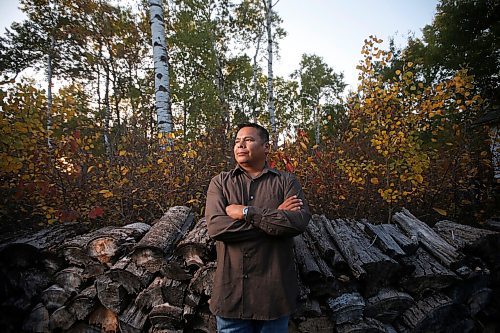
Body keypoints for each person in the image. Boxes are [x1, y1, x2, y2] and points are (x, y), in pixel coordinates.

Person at [205, 123, 311, 333]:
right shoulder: (220, 183)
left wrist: (246, 213)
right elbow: (217, 227)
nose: (240, 145)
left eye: (249, 140)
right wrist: (274, 218)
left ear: (266, 147)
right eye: (237, 141)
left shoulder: (286, 181)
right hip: (231, 297)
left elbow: (297, 221)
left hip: (274, 298)